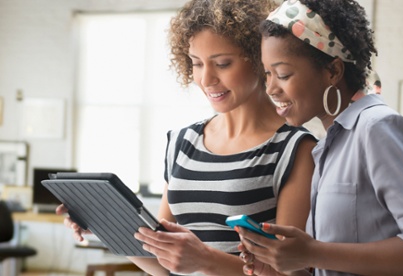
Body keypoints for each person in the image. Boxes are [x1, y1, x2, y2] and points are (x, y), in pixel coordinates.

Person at [57, 0, 318, 275]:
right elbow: (162, 263)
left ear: (260, 59)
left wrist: (205, 259)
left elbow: (292, 272)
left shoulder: (295, 148)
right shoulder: (183, 142)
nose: (206, 79)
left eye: (222, 63)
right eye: (196, 63)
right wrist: (104, 224)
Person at [236, 0, 403, 275]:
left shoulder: (377, 128)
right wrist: (278, 265)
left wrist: (313, 252)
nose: (271, 88)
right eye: (268, 73)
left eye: (283, 74)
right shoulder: (330, 144)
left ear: (333, 71)